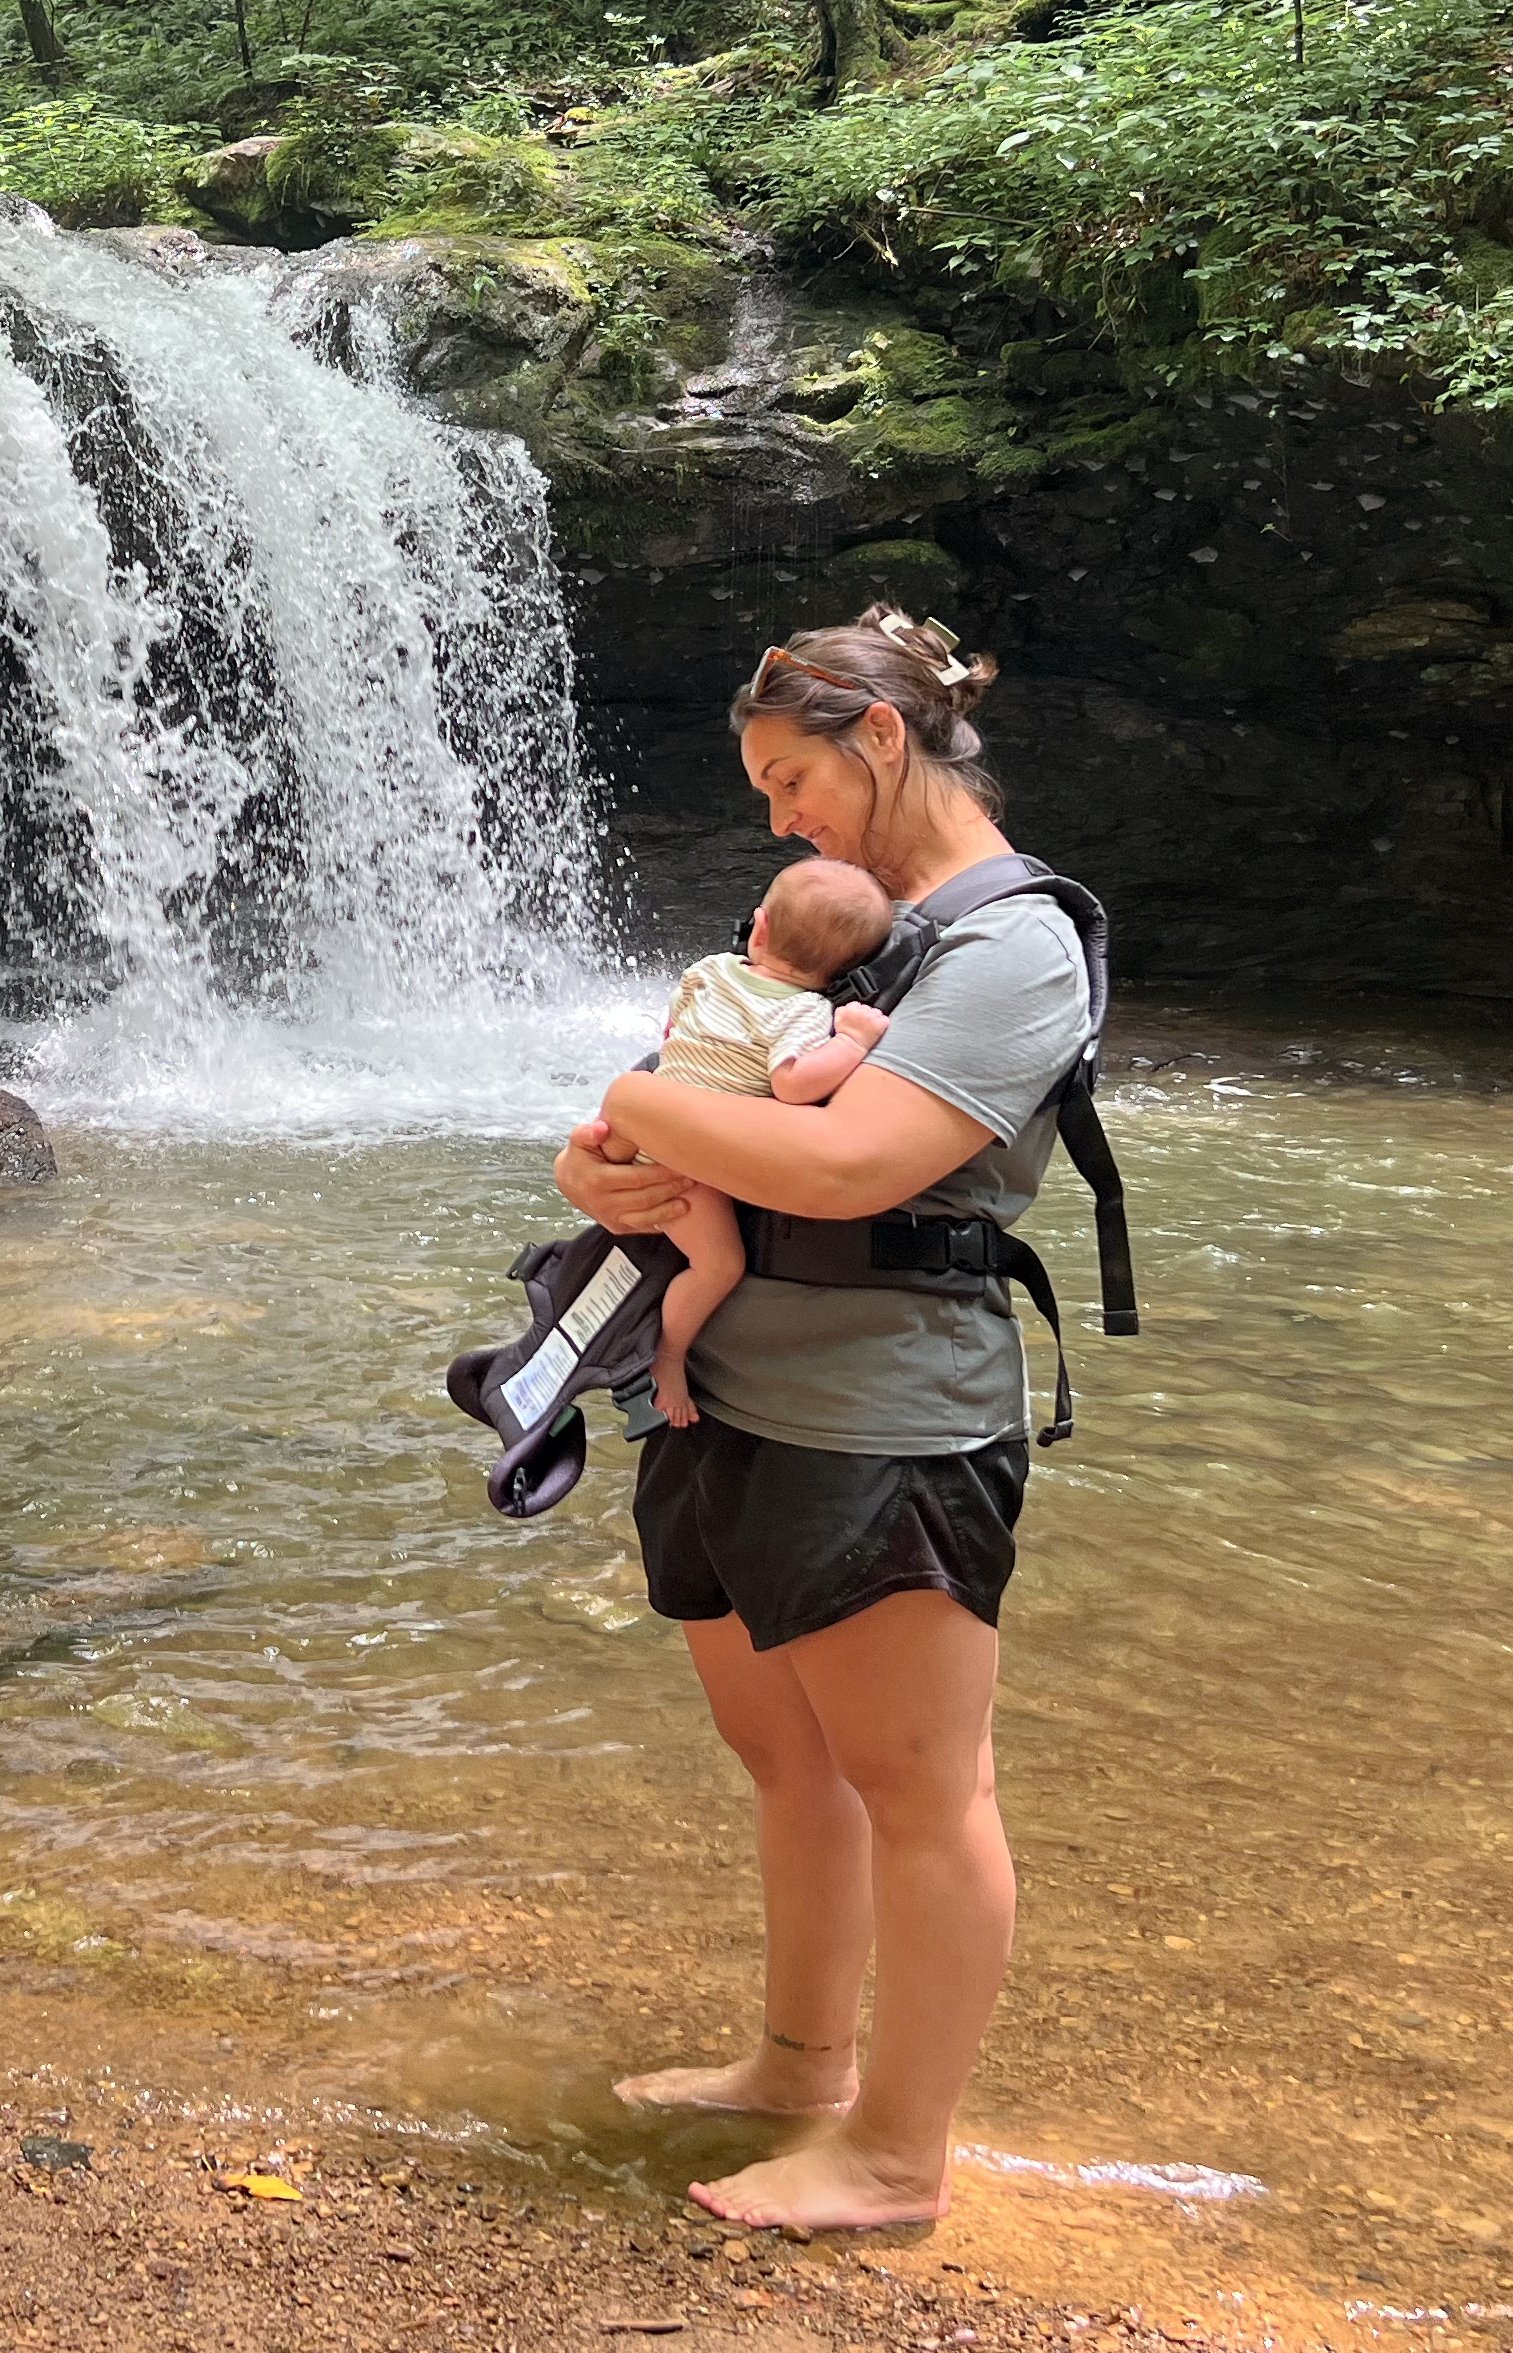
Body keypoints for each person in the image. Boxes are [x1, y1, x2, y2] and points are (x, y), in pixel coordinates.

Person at [553, 604, 1092, 2234]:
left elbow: (849, 1164)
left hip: (885, 1420)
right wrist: (593, 1166)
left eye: (792, 780)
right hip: (720, 1396)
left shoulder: (1012, 947)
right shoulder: (833, 926)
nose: (777, 821)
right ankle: (795, 2065)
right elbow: (668, 1119)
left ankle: (895, 2155)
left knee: (919, 1783)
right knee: (784, 1754)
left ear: (876, 737)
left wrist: (639, 1105)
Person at [638, 857, 894, 1426]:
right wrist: (853, 1041)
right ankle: (667, 1358)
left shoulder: (709, 970)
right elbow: (792, 1083)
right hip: (693, 1160)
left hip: (656, 1129)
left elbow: (672, 1034)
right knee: (719, 1265)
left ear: (760, 927)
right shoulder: (804, 1010)